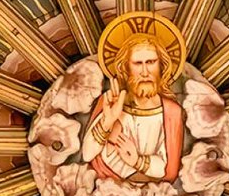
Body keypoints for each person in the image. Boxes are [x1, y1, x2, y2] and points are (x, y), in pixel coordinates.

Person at [80, 13, 187, 183]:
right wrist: (107, 122)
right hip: (106, 190)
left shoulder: (171, 112)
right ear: (126, 68)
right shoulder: (111, 102)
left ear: (161, 66)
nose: (145, 72)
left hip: (151, 194)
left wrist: (137, 161)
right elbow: (87, 154)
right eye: (138, 63)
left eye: (151, 62)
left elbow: (168, 168)